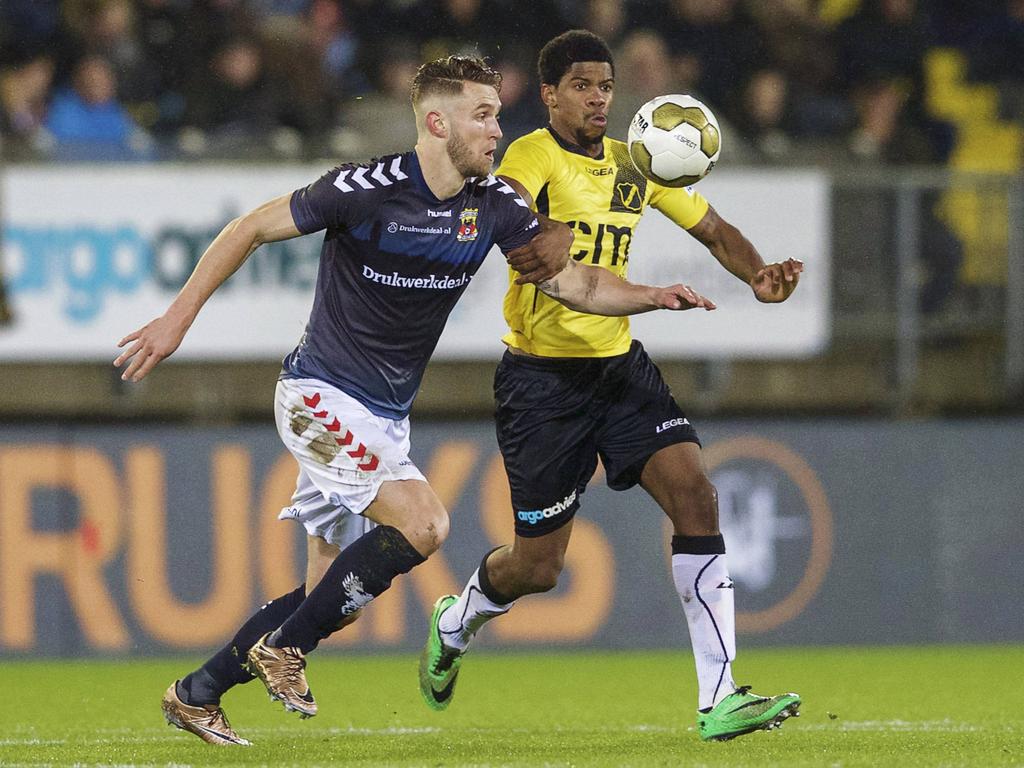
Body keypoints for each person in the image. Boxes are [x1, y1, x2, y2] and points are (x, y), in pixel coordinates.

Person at [114, 54, 715, 747]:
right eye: (482, 115)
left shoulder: (496, 205)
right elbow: (250, 226)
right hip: (318, 396)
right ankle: (283, 650)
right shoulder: (367, 188)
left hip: (382, 419)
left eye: (498, 113)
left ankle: (197, 693)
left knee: (322, 600)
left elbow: (572, 285)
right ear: (437, 121)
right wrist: (177, 319)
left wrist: (651, 296)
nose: (498, 130)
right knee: (426, 524)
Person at [417, 31, 804, 743]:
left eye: (605, 85)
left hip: (620, 368)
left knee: (697, 493)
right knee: (537, 568)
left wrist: (758, 274)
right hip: (541, 384)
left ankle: (720, 697)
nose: (599, 97)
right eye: (583, 85)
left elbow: (715, 229)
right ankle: (460, 617)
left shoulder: (639, 163)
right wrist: (573, 252)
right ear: (550, 94)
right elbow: (541, 260)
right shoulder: (529, 159)